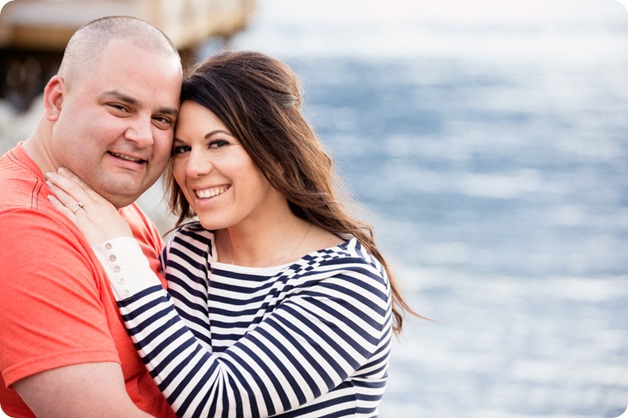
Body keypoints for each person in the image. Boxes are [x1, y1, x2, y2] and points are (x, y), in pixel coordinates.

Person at [46, 50, 418, 418]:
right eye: (182, 149)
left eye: (218, 143)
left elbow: (219, 402)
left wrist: (119, 252)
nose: (194, 168)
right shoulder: (185, 251)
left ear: (274, 150)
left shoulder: (348, 282)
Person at [0, 16, 183, 417]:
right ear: (56, 101)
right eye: (120, 107)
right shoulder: (23, 227)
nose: (143, 136)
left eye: (162, 119)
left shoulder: (103, 200)